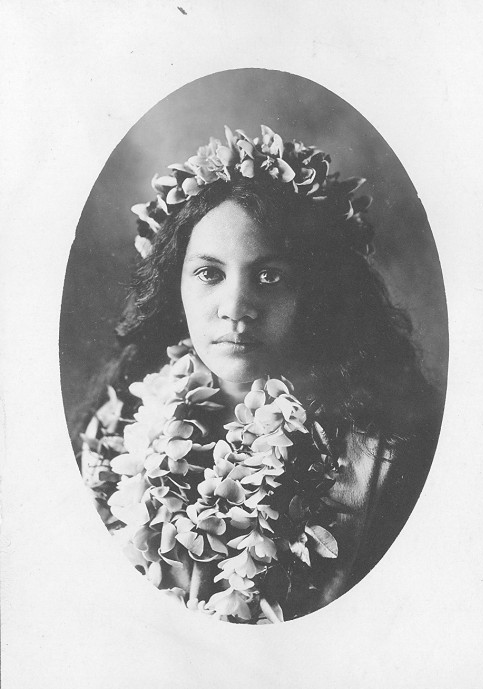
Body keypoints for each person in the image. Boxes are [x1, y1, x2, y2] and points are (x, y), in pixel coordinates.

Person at [77, 125, 442, 623]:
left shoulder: (383, 454)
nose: (235, 309)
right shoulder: (119, 427)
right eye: (209, 273)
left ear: (312, 292)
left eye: (269, 276)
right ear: (174, 283)